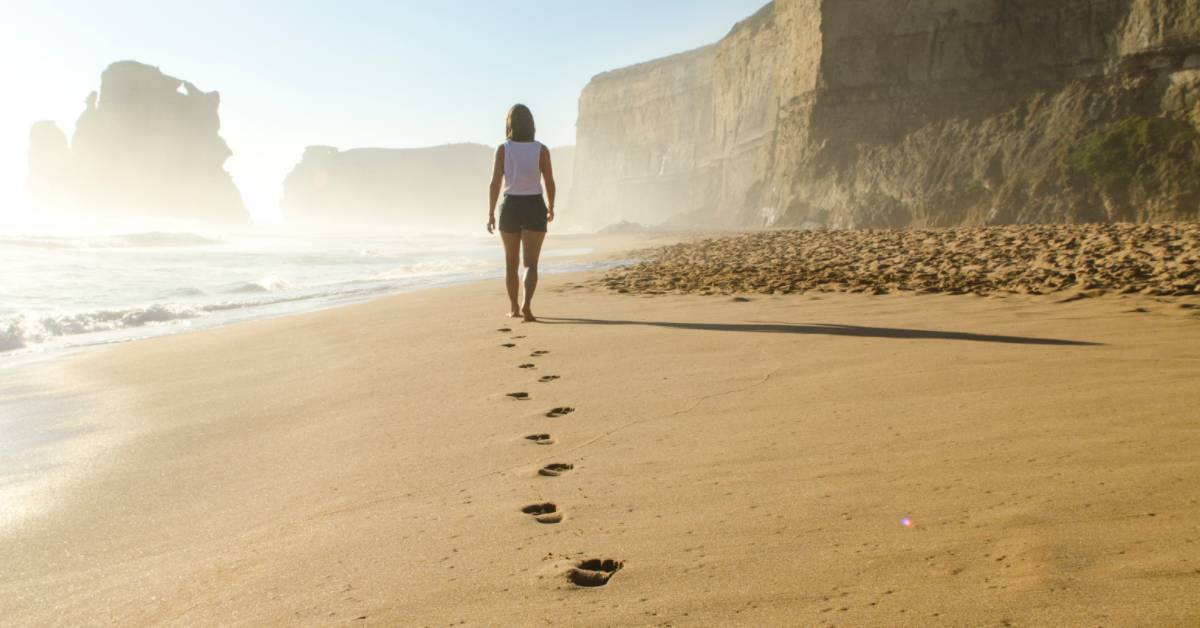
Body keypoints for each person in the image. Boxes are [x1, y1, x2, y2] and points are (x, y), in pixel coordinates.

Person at [487, 103, 555, 322]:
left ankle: (515, 307)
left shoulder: (503, 149)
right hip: (534, 205)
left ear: (510, 124)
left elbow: (495, 183)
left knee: (511, 263)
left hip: (510, 206)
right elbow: (550, 181)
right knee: (531, 264)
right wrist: (551, 206)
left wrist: (490, 213)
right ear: (531, 124)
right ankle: (527, 305)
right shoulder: (541, 150)